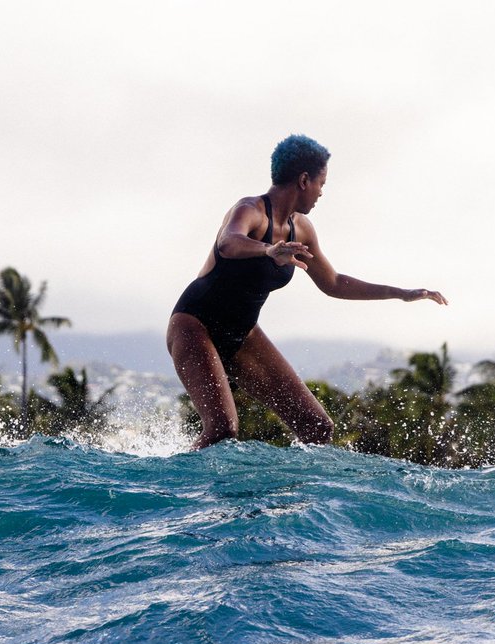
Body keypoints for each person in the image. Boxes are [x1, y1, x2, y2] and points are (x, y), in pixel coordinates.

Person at [167, 134, 448, 449]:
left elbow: (334, 282)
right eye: (321, 183)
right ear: (304, 180)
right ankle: (174, 487)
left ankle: (289, 494)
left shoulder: (301, 229)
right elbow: (228, 242)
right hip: (195, 324)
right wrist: (268, 250)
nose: (321, 192)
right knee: (222, 428)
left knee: (316, 426)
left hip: (242, 335)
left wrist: (402, 293)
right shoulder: (250, 210)